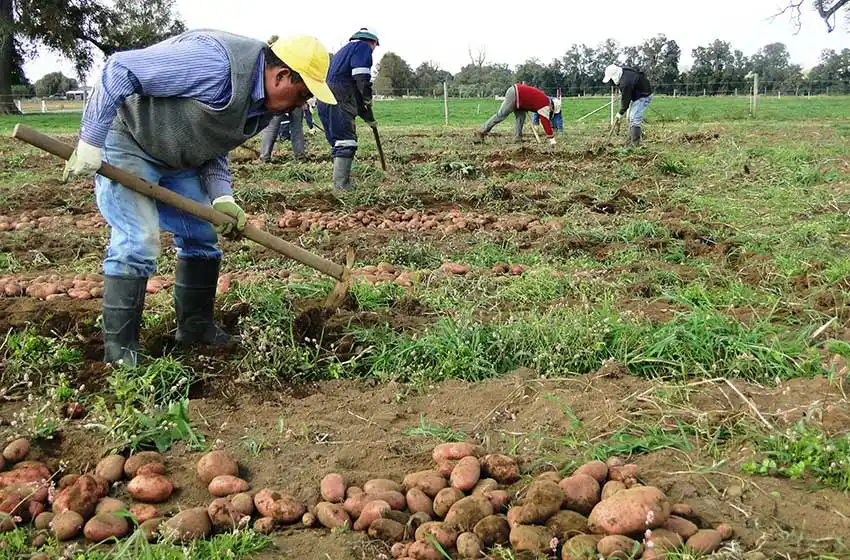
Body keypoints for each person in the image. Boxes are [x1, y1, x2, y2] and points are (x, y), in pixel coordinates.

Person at [62, 30, 336, 365]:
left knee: (203, 236)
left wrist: (222, 197)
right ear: (281, 76)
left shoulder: (262, 105)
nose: (301, 104)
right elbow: (119, 69)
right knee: (138, 240)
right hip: (131, 140)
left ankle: (195, 327)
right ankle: (120, 354)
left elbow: (213, 142)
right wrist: (91, 140)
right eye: (302, 93)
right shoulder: (215, 64)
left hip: (178, 158)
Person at [317, 27, 379, 190]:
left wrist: (368, 117)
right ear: (373, 42)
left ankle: (340, 184)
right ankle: (341, 188)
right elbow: (361, 77)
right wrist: (367, 95)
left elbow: (354, 91)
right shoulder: (362, 47)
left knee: (339, 141)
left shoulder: (342, 52)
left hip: (325, 96)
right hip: (340, 97)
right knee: (346, 141)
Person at [474, 84, 558, 145]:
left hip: (520, 98)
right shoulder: (545, 104)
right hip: (515, 94)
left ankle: (517, 138)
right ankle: (481, 132)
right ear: (552, 106)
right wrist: (551, 139)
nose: (550, 112)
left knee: (521, 117)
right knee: (501, 115)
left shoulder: (544, 101)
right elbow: (545, 122)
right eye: (552, 111)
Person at [602, 64, 653, 146]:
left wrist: (620, 113)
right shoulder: (623, 72)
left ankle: (635, 144)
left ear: (614, 76)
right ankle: (631, 139)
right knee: (632, 118)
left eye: (611, 78)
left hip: (643, 95)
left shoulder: (625, 83)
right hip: (639, 94)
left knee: (634, 118)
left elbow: (626, 101)